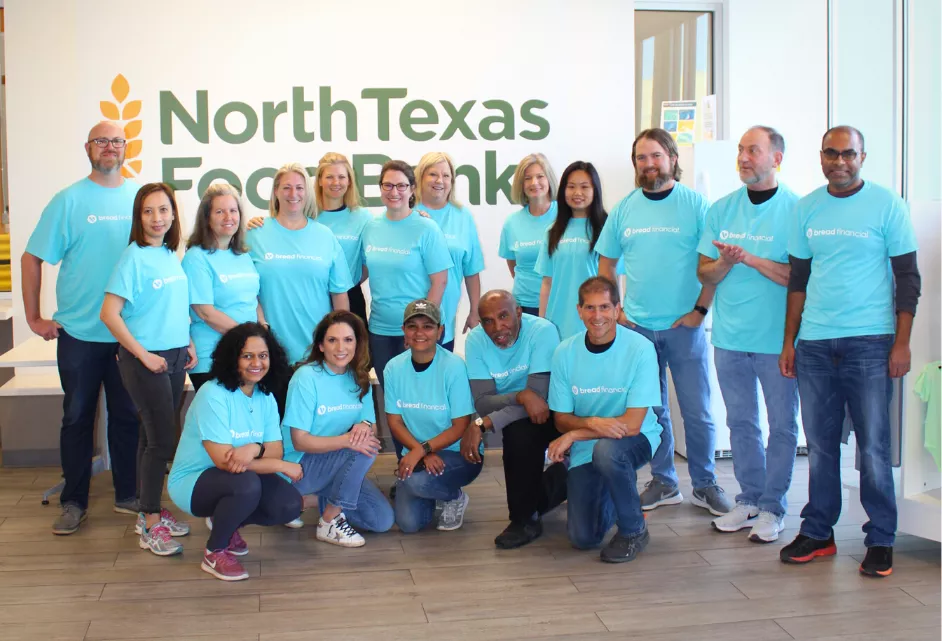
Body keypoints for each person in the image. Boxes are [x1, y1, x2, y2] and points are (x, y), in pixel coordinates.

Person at [779, 126, 921, 578]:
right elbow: (798, 281)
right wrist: (790, 341)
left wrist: (901, 342)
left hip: (871, 343)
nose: (839, 161)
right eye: (830, 153)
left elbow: (908, 279)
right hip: (816, 344)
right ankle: (819, 532)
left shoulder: (887, 205)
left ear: (863, 157)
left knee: (874, 449)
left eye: (848, 154)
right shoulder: (806, 208)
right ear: (820, 156)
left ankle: (880, 538)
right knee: (820, 447)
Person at [597, 128, 732, 516]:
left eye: (656, 156)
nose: (649, 164)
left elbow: (711, 267)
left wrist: (700, 311)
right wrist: (614, 310)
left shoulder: (697, 206)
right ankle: (665, 480)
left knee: (697, 410)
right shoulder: (625, 208)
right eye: (641, 157)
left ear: (673, 159)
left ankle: (705, 484)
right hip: (638, 328)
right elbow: (607, 261)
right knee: (653, 412)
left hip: (684, 328)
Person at [22, 120, 142, 535]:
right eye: (101, 141)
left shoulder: (141, 198)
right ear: (88, 148)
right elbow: (32, 257)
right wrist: (33, 317)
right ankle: (74, 501)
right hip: (78, 334)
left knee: (128, 416)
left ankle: (129, 494)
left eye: (116, 141)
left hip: (129, 335)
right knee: (76, 418)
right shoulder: (68, 200)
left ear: (127, 148)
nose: (109, 147)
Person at [697, 126, 800, 543]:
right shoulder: (721, 209)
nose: (743, 157)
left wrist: (751, 259)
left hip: (777, 341)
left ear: (775, 158)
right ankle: (750, 498)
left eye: (753, 151)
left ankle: (774, 507)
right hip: (730, 338)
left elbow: (797, 277)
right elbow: (705, 271)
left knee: (782, 425)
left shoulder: (797, 210)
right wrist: (726, 263)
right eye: (740, 150)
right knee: (741, 422)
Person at [100, 182, 196, 556]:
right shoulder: (134, 257)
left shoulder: (169, 253)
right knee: (162, 442)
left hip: (172, 356)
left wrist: (186, 341)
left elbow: (172, 306)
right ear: (138, 217)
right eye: (148, 211)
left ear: (173, 215)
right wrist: (142, 354)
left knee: (150, 437)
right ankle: (151, 524)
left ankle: (147, 510)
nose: (157, 218)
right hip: (147, 361)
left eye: (163, 210)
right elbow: (109, 314)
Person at [168, 323, 303, 581]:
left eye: (263, 356)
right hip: (192, 482)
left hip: (236, 476)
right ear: (233, 358)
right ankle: (214, 551)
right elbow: (225, 462)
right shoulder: (213, 394)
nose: (257, 363)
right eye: (247, 356)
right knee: (246, 485)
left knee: (289, 505)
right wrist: (282, 466)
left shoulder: (265, 397)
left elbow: (274, 450)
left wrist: (254, 448)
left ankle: (227, 526)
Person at [546, 276, 662, 563]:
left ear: (617, 309)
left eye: (605, 307)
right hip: (590, 448)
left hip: (635, 439)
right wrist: (593, 425)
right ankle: (617, 490)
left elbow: (632, 424)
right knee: (583, 538)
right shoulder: (564, 353)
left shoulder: (640, 349)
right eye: (590, 308)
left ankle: (634, 530)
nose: (597, 316)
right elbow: (560, 418)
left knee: (608, 453)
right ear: (579, 310)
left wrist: (577, 433)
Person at [461, 290, 567, 549]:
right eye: (488, 321)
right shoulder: (475, 341)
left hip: (560, 410)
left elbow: (540, 401)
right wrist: (521, 395)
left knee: (587, 531)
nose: (497, 327)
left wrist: (485, 422)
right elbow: (483, 401)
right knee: (518, 433)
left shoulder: (542, 331)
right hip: (522, 413)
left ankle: (569, 479)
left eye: (504, 316)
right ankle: (524, 520)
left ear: (519, 312)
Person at [282, 310, 394, 545]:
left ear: (357, 343)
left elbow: (371, 426)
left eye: (348, 340)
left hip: (339, 464)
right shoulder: (306, 377)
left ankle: (317, 499)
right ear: (321, 345)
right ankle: (329, 521)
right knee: (364, 447)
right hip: (300, 466)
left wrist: (363, 425)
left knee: (382, 521)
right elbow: (299, 441)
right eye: (332, 340)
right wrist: (348, 440)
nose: (340, 347)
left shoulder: (358, 377)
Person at [361, 161, 451, 434]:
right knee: (394, 404)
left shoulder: (426, 228)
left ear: (412, 189)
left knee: (421, 402)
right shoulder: (371, 226)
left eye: (401, 185)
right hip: (380, 330)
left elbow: (440, 280)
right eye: (387, 185)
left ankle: (428, 463)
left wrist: (422, 328)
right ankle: (406, 464)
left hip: (416, 333)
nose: (394, 191)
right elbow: (363, 271)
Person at [385, 299, 480, 532]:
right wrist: (421, 452)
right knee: (409, 524)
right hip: (419, 453)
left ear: (440, 332)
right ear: (404, 331)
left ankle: (453, 496)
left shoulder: (454, 366)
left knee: (419, 481)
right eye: (412, 326)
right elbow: (394, 422)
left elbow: (460, 425)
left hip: (457, 454)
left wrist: (422, 450)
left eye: (427, 326)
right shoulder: (393, 368)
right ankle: (427, 489)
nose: (419, 333)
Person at [246, 162, 352, 367]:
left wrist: (340, 342)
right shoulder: (255, 234)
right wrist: (262, 324)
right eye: (286, 187)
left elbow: (339, 295)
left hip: (317, 351)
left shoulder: (325, 236)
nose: (293, 193)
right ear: (276, 191)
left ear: (307, 192)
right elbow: (248, 292)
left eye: (299, 187)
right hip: (270, 353)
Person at [183, 183, 263, 392]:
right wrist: (249, 339)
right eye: (220, 211)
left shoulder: (243, 255)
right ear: (206, 218)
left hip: (247, 356)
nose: (228, 217)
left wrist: (263, 327)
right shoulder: (196, 258)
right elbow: (206, 313)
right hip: (213, 357)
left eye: (233, 210)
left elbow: (253, 299)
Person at [536, 161, 621, 340]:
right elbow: (547, 283)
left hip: (595, 322)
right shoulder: (552, 231)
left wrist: (614, 317)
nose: (577, 193)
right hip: (557, 324)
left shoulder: (607, 229)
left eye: (584, 187)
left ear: (595, 190)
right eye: (571, 187)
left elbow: (614, 280)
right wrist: (542, 323)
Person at [414, 151, 485, 351]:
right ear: (421, 177)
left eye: (446, 175)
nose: (440, 180)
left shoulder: (462, 216)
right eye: (433, 174)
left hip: (444, 319)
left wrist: (474, 311)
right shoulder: (408, 212)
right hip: (409, 317)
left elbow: (471, 270)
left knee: (439, 378)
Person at [311, 153, 374, 327]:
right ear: (320, 181)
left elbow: (368, 262)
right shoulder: (307, 215)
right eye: (329, 177)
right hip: (313, 297)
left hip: (351, 296)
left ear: (349, 181)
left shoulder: (363, 217)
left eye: (341, 177)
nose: (336, 182)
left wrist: (345, 283)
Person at [498, 154, 559, 316]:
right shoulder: (512, 222)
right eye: (527, 178)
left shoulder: (565, 216)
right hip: (524, 306)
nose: (534, 183)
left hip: (559, 302)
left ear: (549, 180)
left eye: (540, 176)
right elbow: (514, 266)